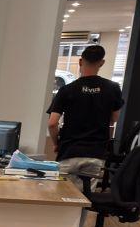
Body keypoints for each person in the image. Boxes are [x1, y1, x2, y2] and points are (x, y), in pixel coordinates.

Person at [47, 43, 123, 181]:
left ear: (80, 61)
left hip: (69, 151)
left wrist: (56, 143)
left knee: (63, 192)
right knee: (86, 194)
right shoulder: (113, 88)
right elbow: (114, 118)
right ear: (102, 63)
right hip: (96, 153)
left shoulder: (67, 90)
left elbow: (52, 123)